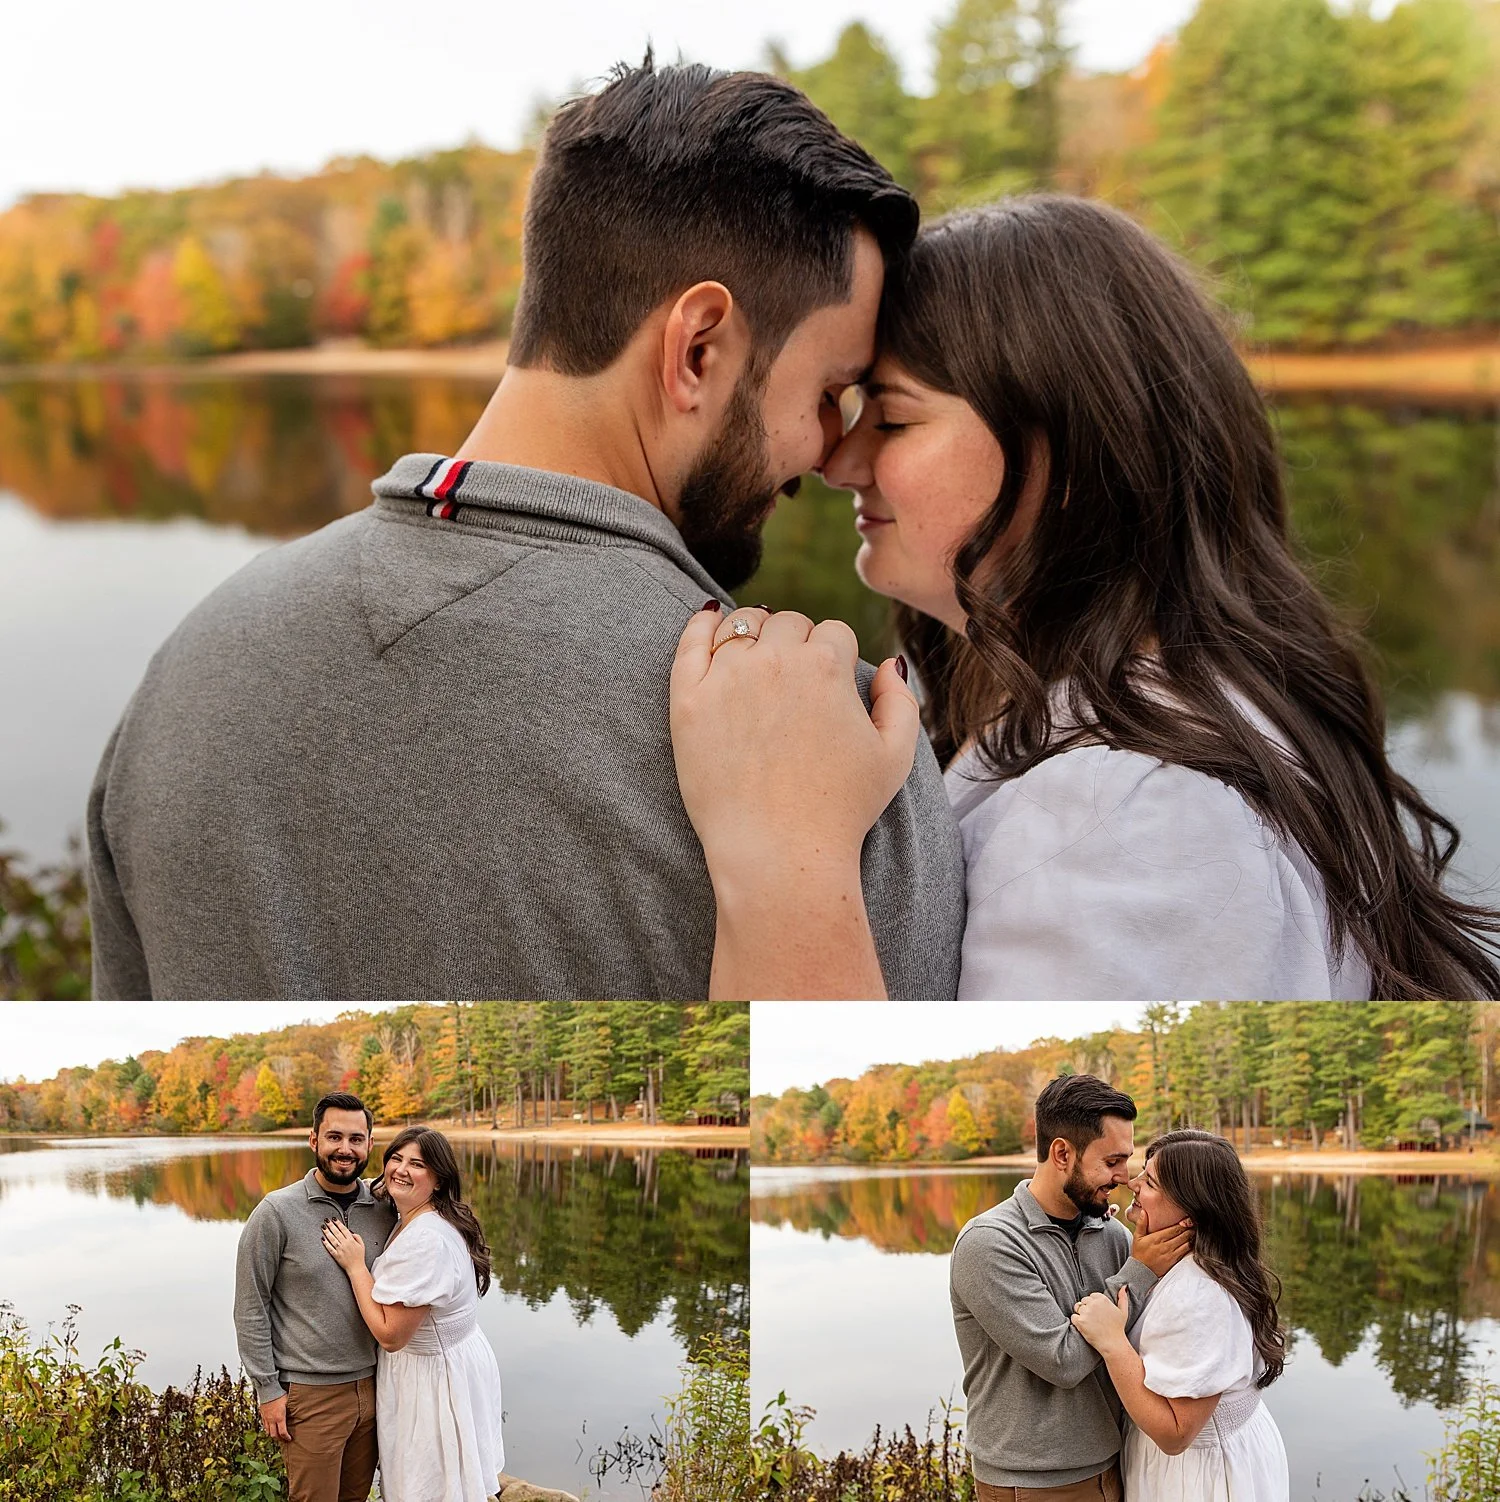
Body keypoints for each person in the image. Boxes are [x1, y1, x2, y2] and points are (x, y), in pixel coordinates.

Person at [85, 57, 966, 1001]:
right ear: (697, 350)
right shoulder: (838, 760)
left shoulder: (185, 675)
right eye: (829, 394)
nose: (832, 453)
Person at [670, 194, 1500, 1001]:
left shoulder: (1140, 819)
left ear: (1067, 456)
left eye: (891, 419)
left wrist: (786, 861)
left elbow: (1019, 1098)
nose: (837, 461)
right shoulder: (1139, 737)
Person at [949, 1075, 1194, 1501]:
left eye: (1127, 1160)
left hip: (1114, 1466)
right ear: (1062, 1152)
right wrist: (1140, 1270)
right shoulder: (990, 1243)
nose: (1123, 1176)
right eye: (1113, 1161)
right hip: (1033, 1484)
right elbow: (1062, 1360)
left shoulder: (1113, 1235)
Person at [1071, 1129, 1290, 1502]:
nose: (1133, 1183)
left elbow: (1175, 1433)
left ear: (1192, 1210)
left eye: (1151, 1181)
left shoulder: (1201, 1293)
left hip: (1198, 1478)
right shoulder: (1186, 1265)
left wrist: (1112, 1344)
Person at [322, 1127, 503, 1502]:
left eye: (417, 1164)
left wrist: (357, 1266)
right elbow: (379, 1184)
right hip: (453, 1364)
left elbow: (391, 1336)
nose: (401, 1170)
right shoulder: (424, 1216)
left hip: (433, 1384)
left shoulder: (426, 1241)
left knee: (426, 1488)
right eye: (396, 1159)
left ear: (438, 1179)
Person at [234, 1093, 395, 1502]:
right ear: (313, 1140)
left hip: (376, 1387)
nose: (345, 1149)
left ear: (369, 1145)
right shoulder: (276, 1212)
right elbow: (251, 1307)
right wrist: (268, 1390)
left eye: (356, 1139)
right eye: (334, 1137)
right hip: (311, 1396)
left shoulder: (383, 1209)